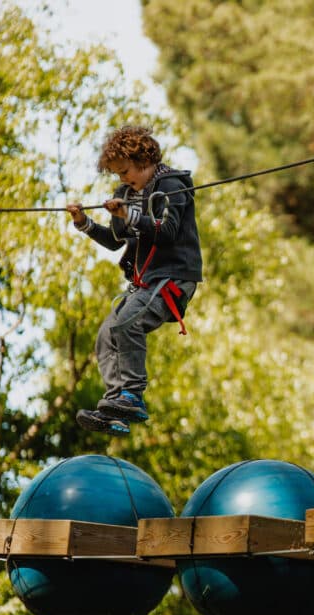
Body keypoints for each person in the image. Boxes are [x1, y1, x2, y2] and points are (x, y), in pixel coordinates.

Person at [67, 126, 202, 435]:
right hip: (146, 282)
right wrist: (85, 223)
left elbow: (166, 231)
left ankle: (132, 395)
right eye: (117, 175)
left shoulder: (172, 184)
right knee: (106, 334)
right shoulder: (125, 195)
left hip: (173, 276)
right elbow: (117, 241)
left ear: (144, 159)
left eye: (126, 171)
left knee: (126, 323)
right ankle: (116, 406)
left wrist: (129, 215)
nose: (123, 179)